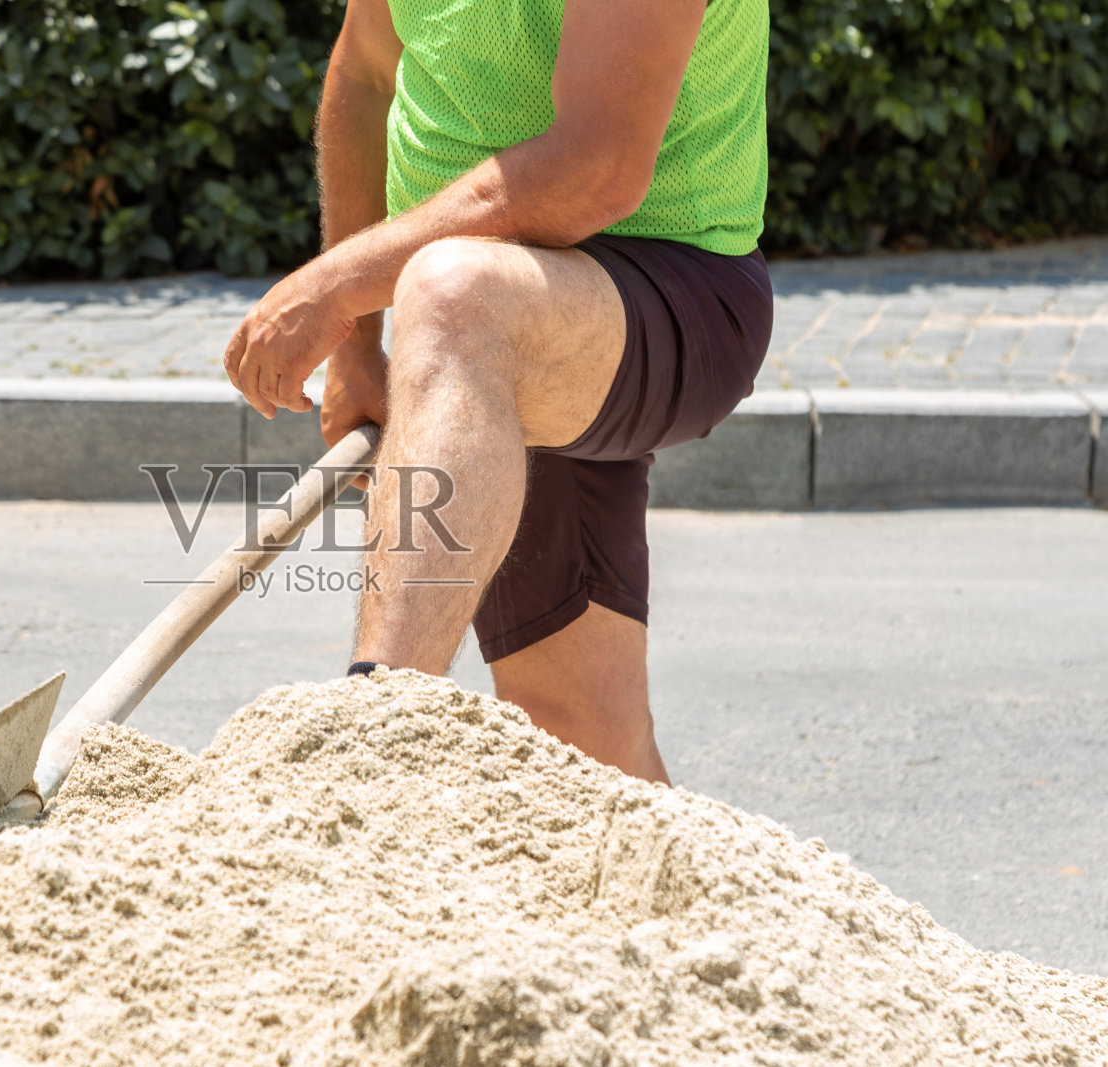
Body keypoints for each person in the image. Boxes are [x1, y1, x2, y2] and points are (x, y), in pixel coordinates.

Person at [224, 0, 773, 785]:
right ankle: (702, 904)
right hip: (480, 324)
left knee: (456, 292)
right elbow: (367, 73)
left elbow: (598, 165)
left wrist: (337, 288)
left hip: (673, 286)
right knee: (582, 741)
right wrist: (356, 354)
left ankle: (373, 744)